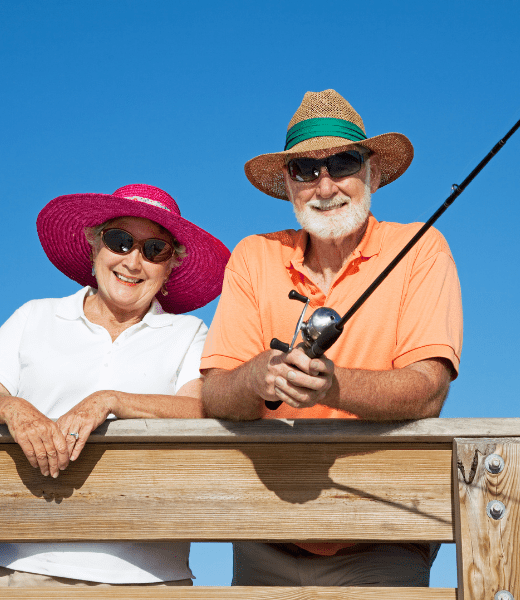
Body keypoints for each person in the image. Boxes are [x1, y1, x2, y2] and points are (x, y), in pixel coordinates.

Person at [200, 89, 463, 587]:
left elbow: (429, 388)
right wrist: (256, 378)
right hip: (264, 533)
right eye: (305, 169)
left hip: (384, 536)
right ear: (288, 183)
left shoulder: (422, 248)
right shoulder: (253, 257)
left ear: (373, 174)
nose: (325, 186)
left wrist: (333, 386)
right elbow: (213, 392)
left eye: (343, 163)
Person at [0, 183, 230, 587]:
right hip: (18, 566)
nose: (134, 261)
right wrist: (15, 409)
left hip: (147, 578)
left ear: (169, 269)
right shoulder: (35, 316)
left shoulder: (188, 333)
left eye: (154, 250)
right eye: (120, 241)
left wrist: (108, 400)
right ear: (95, 247)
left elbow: (202, 408)